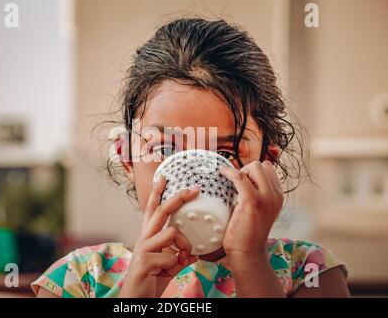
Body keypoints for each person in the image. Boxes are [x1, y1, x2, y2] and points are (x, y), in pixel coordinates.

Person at [31, 18, 349, 298]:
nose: (194, 182)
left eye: (224, 153)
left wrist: (250, 261)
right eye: (166, 150)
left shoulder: (309, 272)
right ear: (127, 158)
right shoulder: (81, 278)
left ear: (267, 163)